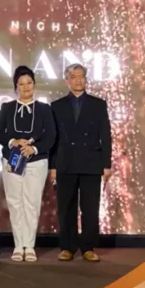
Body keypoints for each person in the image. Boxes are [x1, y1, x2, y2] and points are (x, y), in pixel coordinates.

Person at [49, 64, 112, 262]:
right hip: (65, 162)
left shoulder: (98, 104)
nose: (78, 80)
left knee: (90, 208)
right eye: (74, 76)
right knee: (66, 208)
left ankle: (88, 247)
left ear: (86, 79)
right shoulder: (56, 106)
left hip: (91, 162)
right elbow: (54, 139)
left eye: (81, 76)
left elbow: (106, 135)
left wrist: (106, 164)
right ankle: (67, 247)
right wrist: (53, 166)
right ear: (67, 80)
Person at [0, 66, 56, 262]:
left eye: (29, 83)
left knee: (32, 203)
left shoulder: (44, 109)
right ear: (16, 87)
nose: (26, 87)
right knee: (15, 203)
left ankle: (29, 246)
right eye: (21, 84)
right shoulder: (7, 108)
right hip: (12, 160)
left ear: (34, 85)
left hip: (36, 162)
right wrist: (12, 142)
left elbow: (51, 136)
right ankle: (18, 245)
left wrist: (34, 149)